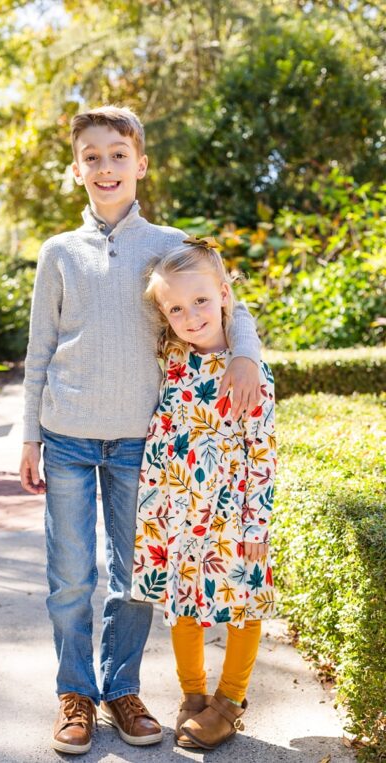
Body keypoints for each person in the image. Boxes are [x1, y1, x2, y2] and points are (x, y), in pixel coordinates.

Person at [18, 105, 265, 755]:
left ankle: (121, 687)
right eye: (92, 156)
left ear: (140, 164)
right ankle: (75, 691)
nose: (105, 167)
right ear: (77, 168)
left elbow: (231, 306)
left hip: (142, 443)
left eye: (117, 154)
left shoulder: (169, 244)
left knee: (135, 577)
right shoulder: (58, 253)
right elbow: (39, 348)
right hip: (66, 434)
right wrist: (28, 437)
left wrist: (246, 354)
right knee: (71, 575)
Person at [132, 242, 276, 750]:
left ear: (222, 294)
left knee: (242, 603)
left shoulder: (249, 371)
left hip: (231, 512)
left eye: (199, 302)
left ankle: (230, 701)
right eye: (175, 308)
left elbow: (262, 451)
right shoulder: (172, 356)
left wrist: (257, 523)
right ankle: (193, 697)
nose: (189, 317)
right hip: (176, 510)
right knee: (182, 602)